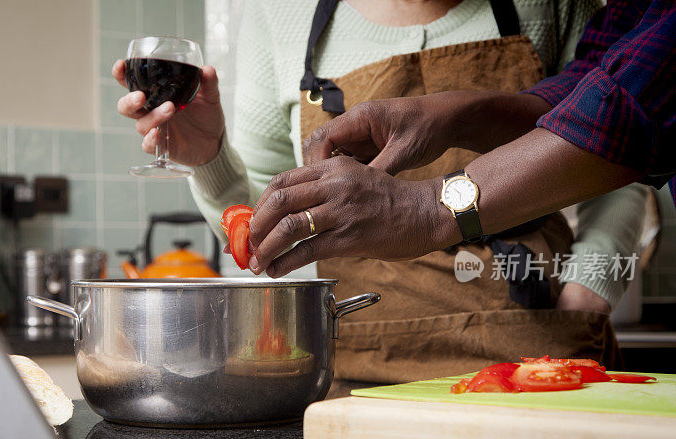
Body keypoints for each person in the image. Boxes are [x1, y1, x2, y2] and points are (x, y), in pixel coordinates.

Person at [114, 0, 648, 382]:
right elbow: (266, 225)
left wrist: (588, 294)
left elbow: (619, 145)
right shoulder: (280, 14)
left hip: (536, 355)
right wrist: (209, 158)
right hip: (360, 366)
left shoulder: (552, 7)